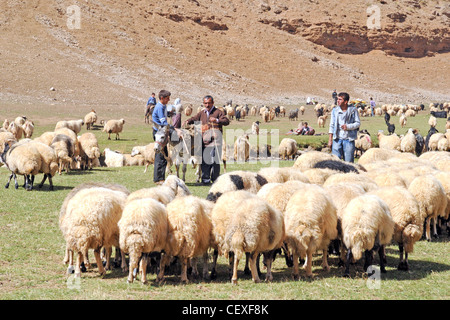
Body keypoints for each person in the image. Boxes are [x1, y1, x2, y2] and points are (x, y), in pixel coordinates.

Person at [183, 95, 230, 185]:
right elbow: (195, 118)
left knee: (214, 160)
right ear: (203, 103)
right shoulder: (202, 113)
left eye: (209, 103)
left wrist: (217, 120)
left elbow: (226, 121)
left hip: (215, 141)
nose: (207, 105)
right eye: (205, 103)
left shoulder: (218, 112)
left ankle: (215, 180)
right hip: (204, 141)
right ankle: (205, 180)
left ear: (213, 103)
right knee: (205, 160)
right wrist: (188, 121)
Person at [327, 92, 360, 163]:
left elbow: (357, 123)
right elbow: (332, 125)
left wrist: (348, 126)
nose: (337, 101)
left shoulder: (353, 110)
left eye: (340, 99)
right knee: (335, 162)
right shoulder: (335, 111)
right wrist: (330, 139)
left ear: (345, 102)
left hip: (349, 139)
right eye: (337, 99)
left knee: (348, 162)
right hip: (337, 139)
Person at [152, 90, 171, 185]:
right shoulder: (159, 107)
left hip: (161, 131)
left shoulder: (163, 106)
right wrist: (172, 127)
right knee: (160, 156)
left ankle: (160, 177)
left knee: (162, 154)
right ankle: (159, 179)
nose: (169, 100)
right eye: (167, 98)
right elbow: (163, 122)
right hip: (159, 132)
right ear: (162, 98)